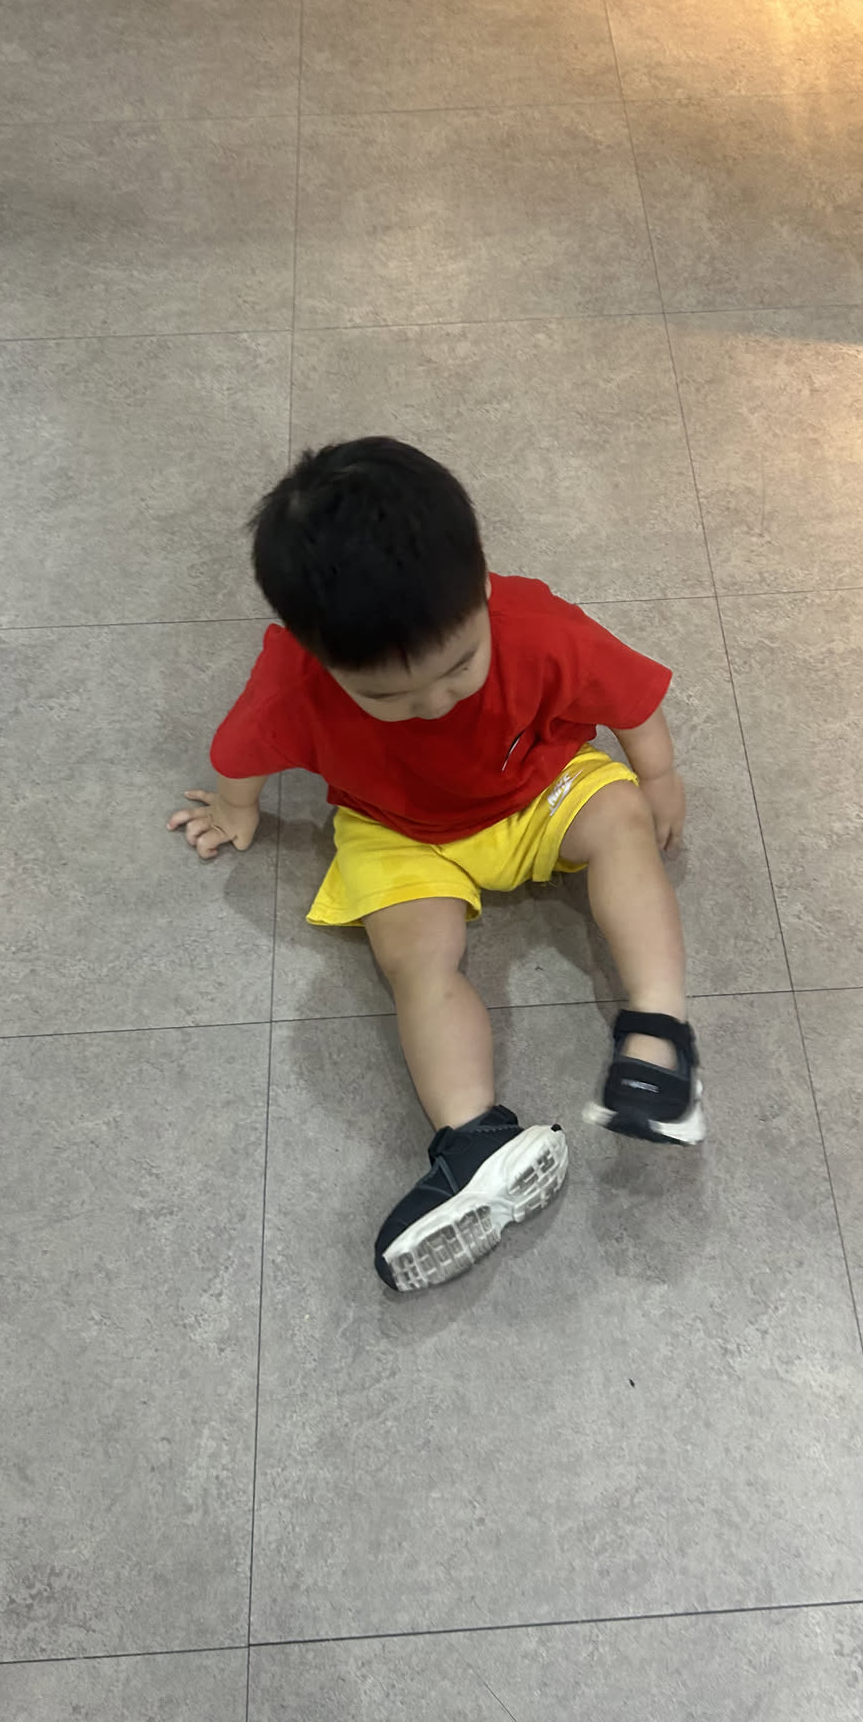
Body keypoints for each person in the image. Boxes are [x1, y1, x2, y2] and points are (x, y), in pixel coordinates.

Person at [170, 438, 703, 1293]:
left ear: (484, 585)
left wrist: (660, 776)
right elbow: (242, 752)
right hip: (397, 831)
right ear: (314, 653)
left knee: (622, 821)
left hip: (538, 785)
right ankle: (473, 1139)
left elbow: (630, 700)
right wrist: (235, 811)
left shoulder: (537, 628)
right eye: (388, 694)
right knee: (416, 962)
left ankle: (659, 1030)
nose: (433, 701)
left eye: (459, 667)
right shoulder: (294, 686)